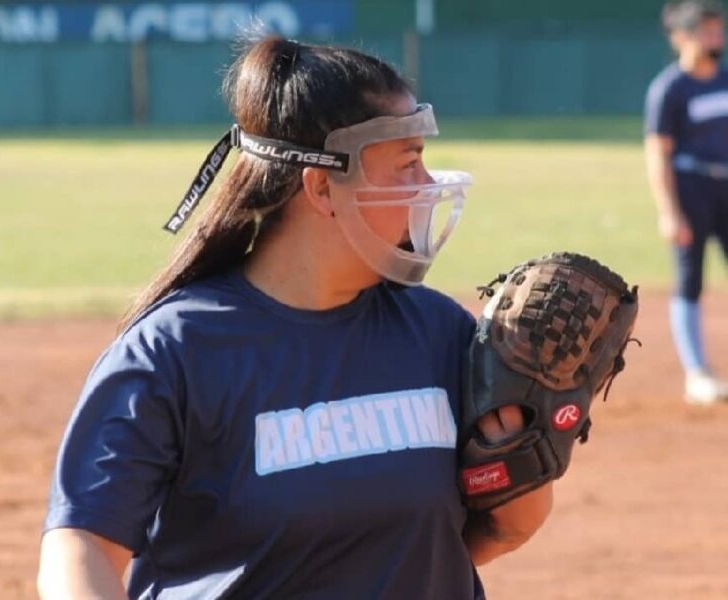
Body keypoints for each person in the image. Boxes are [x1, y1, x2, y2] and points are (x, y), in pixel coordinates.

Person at [37, 36, 553, 599]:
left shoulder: (438, 331)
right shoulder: (177, 351)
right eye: (408, 164)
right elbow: (80, 546)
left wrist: (529, 434)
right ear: (323, 186)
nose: (427, 186)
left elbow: (503, 526)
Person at [645, 0, 728, 405]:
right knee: (690, 279)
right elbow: (657, 153)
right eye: (705, 30)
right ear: (681, 37)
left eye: (718, 29)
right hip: (691, 187)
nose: (715, 37)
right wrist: (669, 211)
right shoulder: (671, 89)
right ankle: (697, 373)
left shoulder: (725, 79)